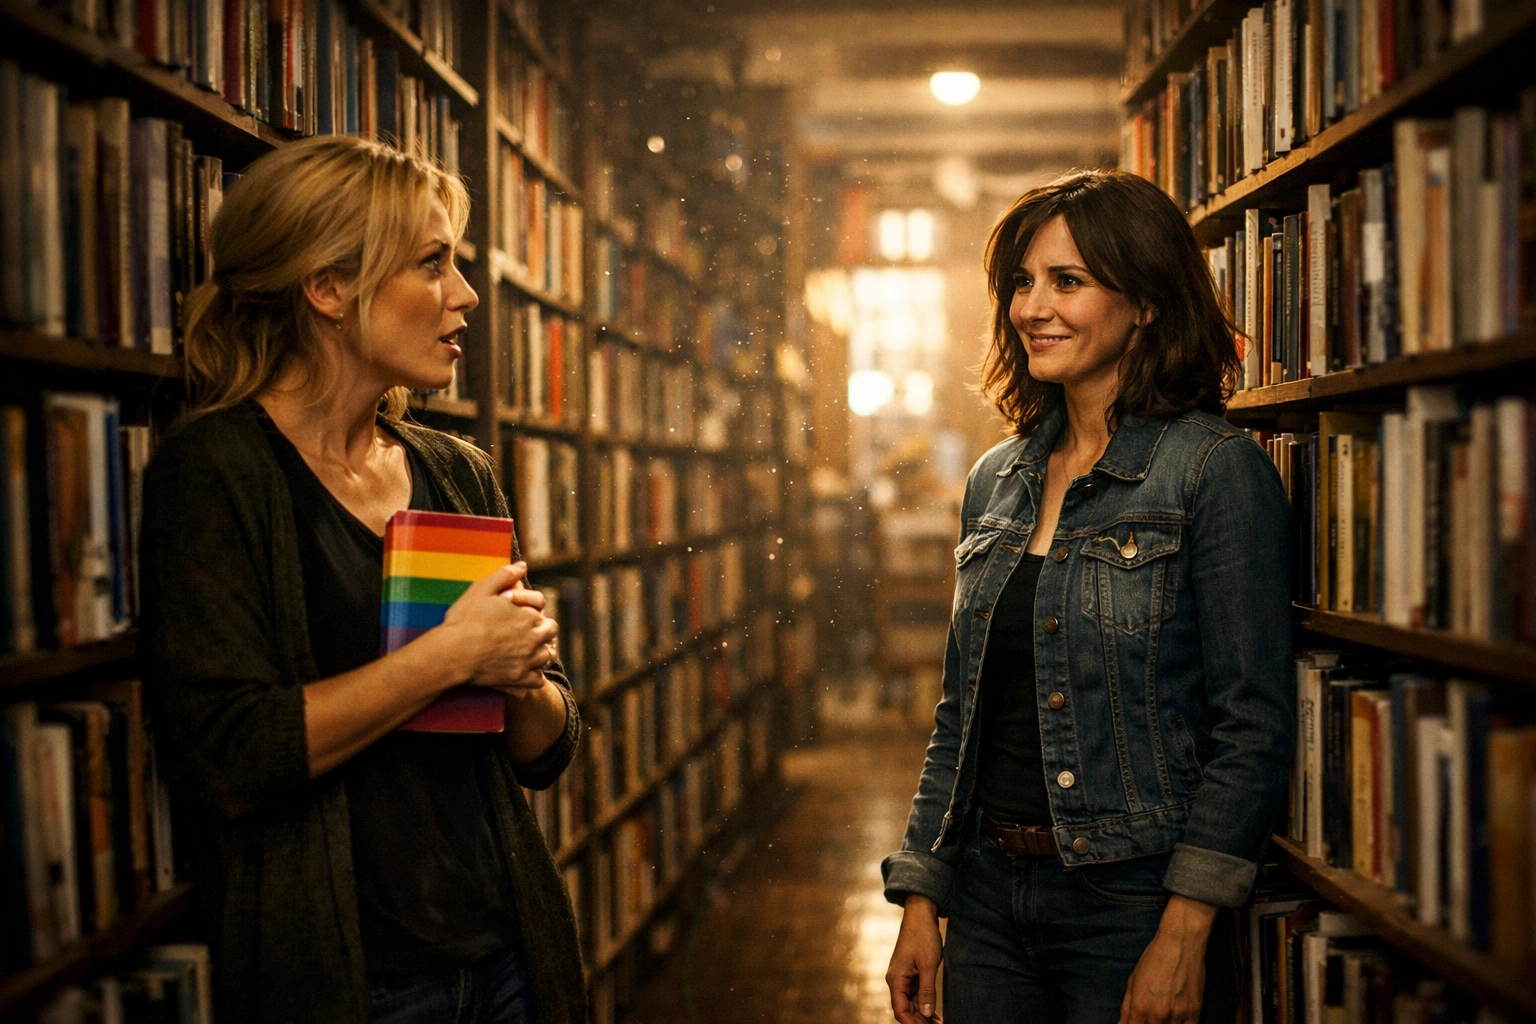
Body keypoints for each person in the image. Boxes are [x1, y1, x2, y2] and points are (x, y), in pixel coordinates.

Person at [139, 135, 586, 1024]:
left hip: (505, 955)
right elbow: (230, 756)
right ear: (328, 288)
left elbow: (545, 752)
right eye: (432, 263)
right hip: (357, 980)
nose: (466, 294)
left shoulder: (456, 470)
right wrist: (453, 656)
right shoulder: (219, 472)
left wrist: (524, 674)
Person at [883, 170, 1293, 1024]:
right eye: (1022, 282)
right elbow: (962, 715)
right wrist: (923, 893)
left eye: (1067, 282)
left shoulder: (1214, 472)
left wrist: (1185, 930)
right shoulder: (996, 479)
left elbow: (1251, 727)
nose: (1033, 308)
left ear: (1146, 301)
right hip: (989, 898)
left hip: (1133, 902)